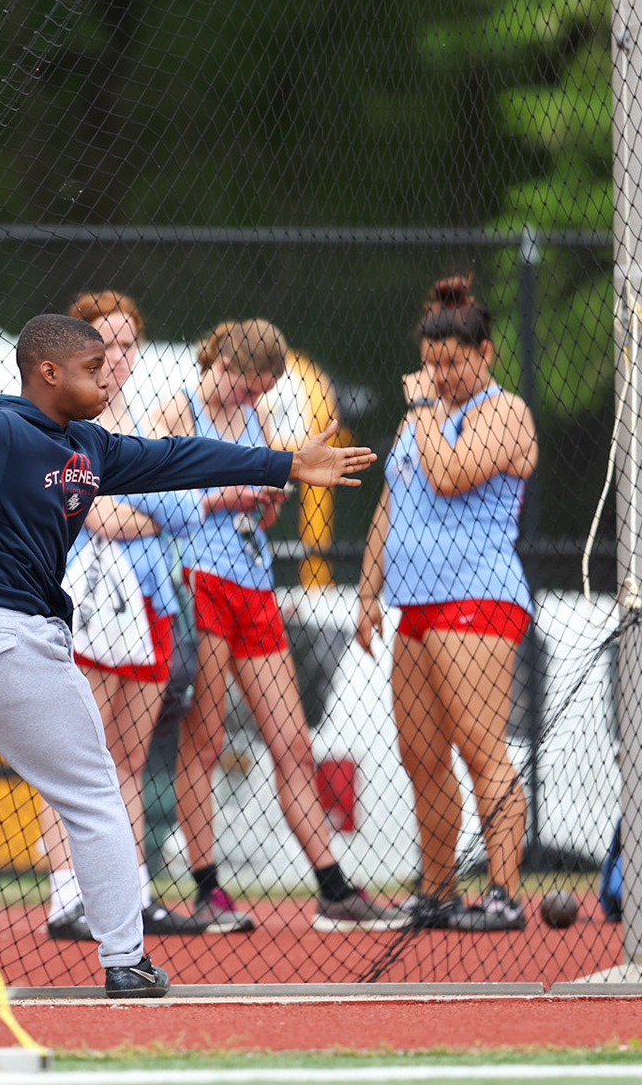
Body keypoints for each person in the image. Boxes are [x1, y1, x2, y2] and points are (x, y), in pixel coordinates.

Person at [0, 314, 376, 1000]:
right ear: (49, 373)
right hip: (4, 639)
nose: (107, 377)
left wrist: (285, 464)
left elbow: (178, 457)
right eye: (93, 367)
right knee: (94, 797)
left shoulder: (89, 449)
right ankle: (126, 960)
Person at [150, 319, 405, 933]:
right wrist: (224, 496)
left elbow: (255, 503)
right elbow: (155, 496)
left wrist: (266, 500)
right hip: (199, 581)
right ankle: (207, 887)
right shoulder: (176, 410)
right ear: (225, 364)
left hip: (253, 581)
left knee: (291, 741)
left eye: (263, 390)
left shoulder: (256, 419)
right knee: (204, 741)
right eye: (247, 386)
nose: (251, 399)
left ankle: (333, 887)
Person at [355, 276, 538, 932]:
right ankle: (436, 893)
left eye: (454, 363)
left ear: (484, 354)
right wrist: (369, 592)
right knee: (421, 756)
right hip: (417, 605)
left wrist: (426, 410)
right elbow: (392, 503)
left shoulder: (504, 412)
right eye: (431, 365)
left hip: (477, 595)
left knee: (482, 749)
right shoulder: (419, 421)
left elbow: (452, 473)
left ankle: (504, 894)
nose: (441, 375)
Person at [39, 291, 206, 941]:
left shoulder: (147, 415)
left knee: (131, 762)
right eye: (105, 345)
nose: (119, 358)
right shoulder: (64, 420)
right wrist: (146, 513)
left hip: (151, 604)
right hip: (90, 606)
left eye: (129, 345)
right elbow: (93, 511)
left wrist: (143, 512)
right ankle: (66, 895)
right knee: (77, 755)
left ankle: (133, 893)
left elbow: (185, 506)